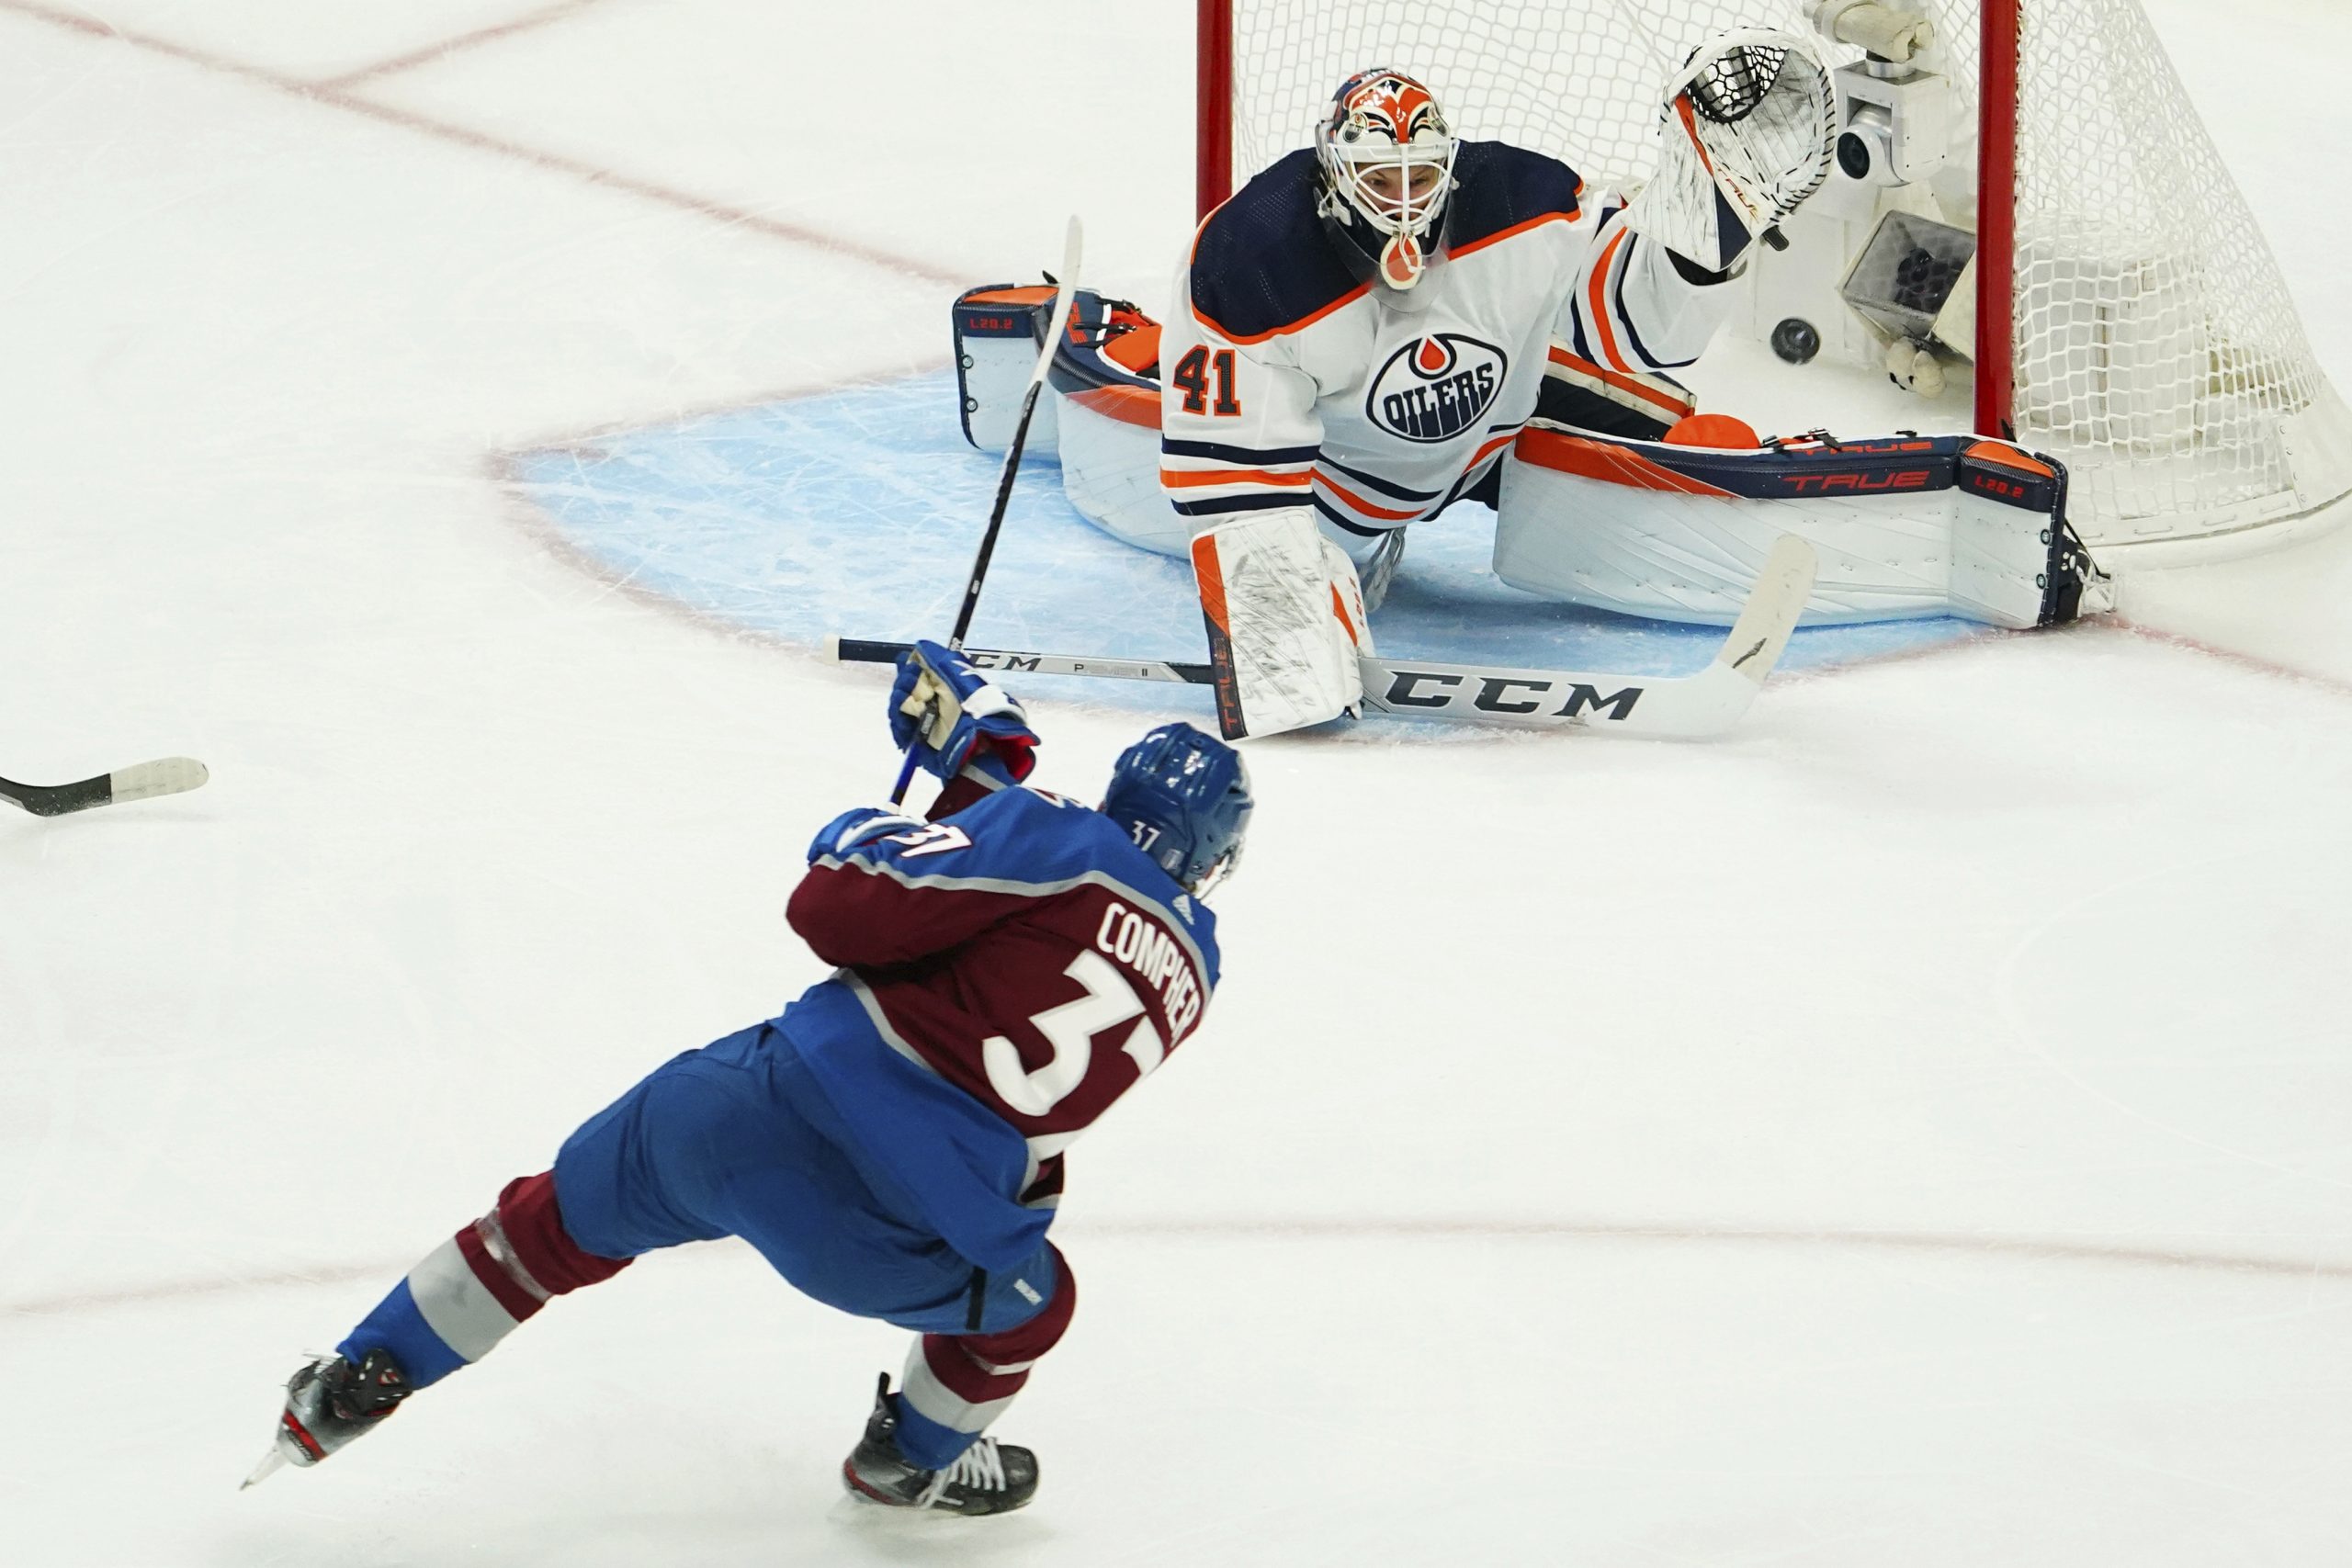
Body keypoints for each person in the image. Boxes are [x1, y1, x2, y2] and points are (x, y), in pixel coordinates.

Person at [244, 642, 1253, 1516]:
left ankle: (361, 1377)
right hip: (891, 1234)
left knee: (545, 1229)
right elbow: (1016, 962)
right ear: (1210, 858)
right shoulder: (1194, 973)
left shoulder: (1058, 833)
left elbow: (841, 915)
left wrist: (885, 824)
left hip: (742, 1110)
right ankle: (909, 1464)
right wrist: (979, 785)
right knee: (1035, 1305)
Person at [1097, 46, 1840, 735]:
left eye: (1420, 178)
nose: (1403, 206)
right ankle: (1128, 351)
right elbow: (1237, 486)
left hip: (1496, 435)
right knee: (1298, 685)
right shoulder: (1250, 261)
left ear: (1448, 168)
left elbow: (1641, 331)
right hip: (1339, 486)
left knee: (1668, 420)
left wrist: (1703, 234)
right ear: (1332, 176)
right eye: (1381, 182)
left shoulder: (1526, 202)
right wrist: (1287, 637)